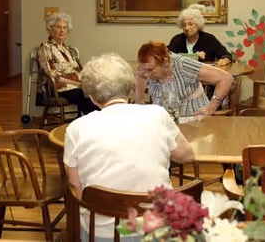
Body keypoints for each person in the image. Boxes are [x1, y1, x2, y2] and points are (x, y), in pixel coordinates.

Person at [64, 53, 195, 241]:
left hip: (102, 233)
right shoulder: (157, 115)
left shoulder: (76, 128)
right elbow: (187, 155)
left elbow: (75, 186)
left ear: (91, 98)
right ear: (131, 88)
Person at [135, 41, 233, 116]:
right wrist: (140, 104)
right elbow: (141, 75)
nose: (146, 74)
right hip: (165, 120)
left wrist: (211, 108)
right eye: (143, 69)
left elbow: (226, 78)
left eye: (150, 69)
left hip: (193, 119)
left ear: (165, 62)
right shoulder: (146, 70)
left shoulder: (182, 65)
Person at [37, 13, 97, 117]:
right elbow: (52, 74)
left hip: (76, 85)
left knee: (97, 92)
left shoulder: (68, 49)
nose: (62, 30)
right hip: (60, 87)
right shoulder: (46, 48)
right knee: (83, 97)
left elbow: (78, 70)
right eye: (58, 27)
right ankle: (92, 121)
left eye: (65, 28)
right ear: (50, 28)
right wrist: (76, 84)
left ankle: (94, 119)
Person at [167, 4, 232, 66]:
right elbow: (168, 57)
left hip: (204, 76)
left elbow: (226, 55)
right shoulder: (177, 40)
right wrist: (194, 56)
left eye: (190, 24)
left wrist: (225, 59)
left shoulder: (209, 39)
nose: (187, 28)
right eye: (184, 25)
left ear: (198, 24)